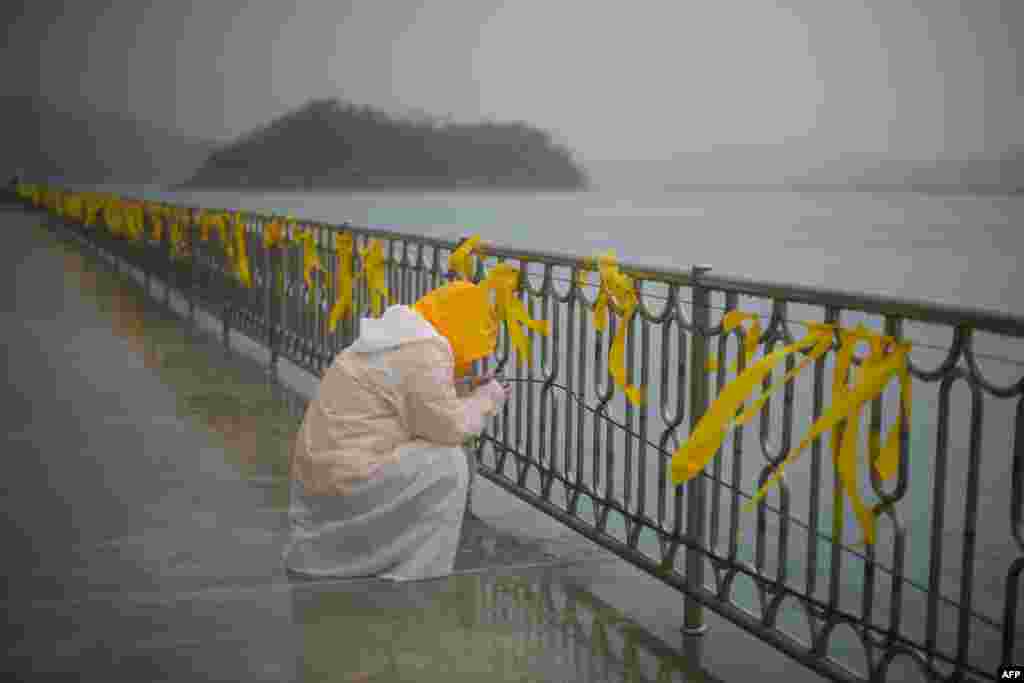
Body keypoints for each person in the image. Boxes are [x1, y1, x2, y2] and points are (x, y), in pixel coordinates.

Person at [282, 280, 511, 581]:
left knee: (442, 455)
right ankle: (419, 569)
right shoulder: (425, 351)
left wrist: (462, 389)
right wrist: (485, 400)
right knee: (448, 463)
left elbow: (408, 396)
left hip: (322, 478)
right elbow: (450, 428)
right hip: (346, 483)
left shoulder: (401, 335)